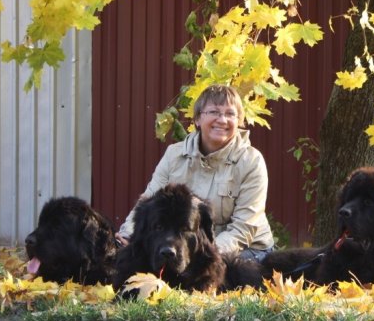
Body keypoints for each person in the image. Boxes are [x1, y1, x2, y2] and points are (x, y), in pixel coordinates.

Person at [116, 84, 275, 262]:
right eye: (214, 112)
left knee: (207, 278)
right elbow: (148, 202)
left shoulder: (252, 161)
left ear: (238, 121)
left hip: (247, 250)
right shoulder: (174, 155)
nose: (222, 120)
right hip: (190, 249)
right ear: (197, 119)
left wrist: (206, 254)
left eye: (230, 114)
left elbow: (243, 229)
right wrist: (127, 236)